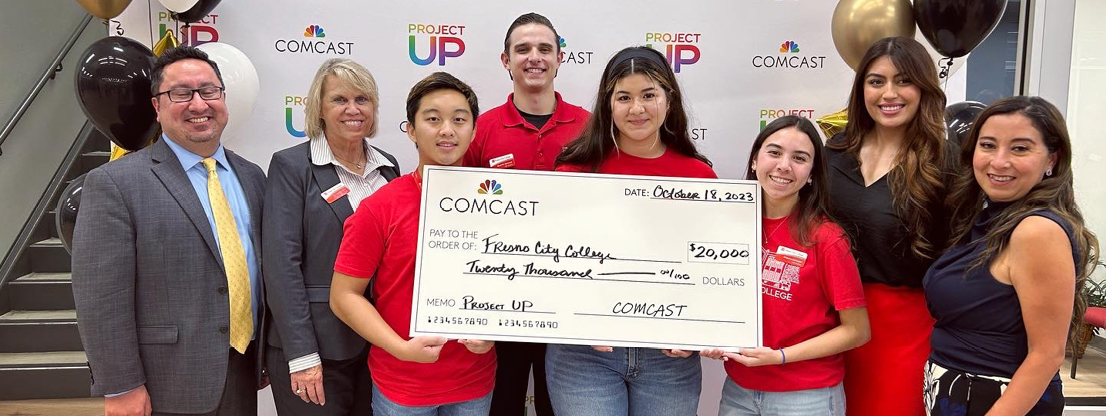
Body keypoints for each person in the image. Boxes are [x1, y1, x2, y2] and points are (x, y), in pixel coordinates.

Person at [72, 45, 267, 416]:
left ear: (223, 98)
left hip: (243, 369)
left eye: (209, 91)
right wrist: (120, 386)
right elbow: (100, 300)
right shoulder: (114, 184)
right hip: (164, 382)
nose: (199, 104)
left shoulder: (252, 176)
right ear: (157, 107)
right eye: (181, 93)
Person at [548, 46, 715, 416]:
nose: (637, 109)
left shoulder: (699, 177)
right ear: (608, 104)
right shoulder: (574, 174)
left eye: (649, 95)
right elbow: (548, 264)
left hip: (669, 359)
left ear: (669, 100)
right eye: (624, 97)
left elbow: (713, 270)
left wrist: (698, 328)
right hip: (584, 355)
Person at [330, 72, 496, 416]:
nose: (447, 130)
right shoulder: (380, 206)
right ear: (410, 129)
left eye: (459, 119)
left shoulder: (500, 204)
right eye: (433, 119)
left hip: (475, 384)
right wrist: (401, 348)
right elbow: (343, 296)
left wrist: (495, 332)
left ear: (474, 129)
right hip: (402, 388)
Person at [923, 96, 1100, 415]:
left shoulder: (1036, 230)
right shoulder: (989, 219)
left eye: (1020, 148)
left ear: (1052, 159)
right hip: (961, 394)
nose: (999, 161)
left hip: (998, 400)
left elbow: (1046, 354)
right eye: (988, 145)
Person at [462, 12, 589, 416]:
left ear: (559, 57)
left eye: (544, 49)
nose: (534, 57)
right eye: (523, 49)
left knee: (563, 404)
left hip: (570, 295)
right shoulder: (480, 129)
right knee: (503, 402)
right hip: (501, 295)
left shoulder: (590, 128)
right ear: (505, 60)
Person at [824, 36, 957, 416]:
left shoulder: (946, 161)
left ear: (924, 88)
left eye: (903, 80)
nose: (889, 93)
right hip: (824, 324)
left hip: (903, 333)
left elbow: (962, 253)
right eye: (876, 81)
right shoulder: (836, 149)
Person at [702, 116, 870, 416]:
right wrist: (710, 338)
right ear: (755, 160)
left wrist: (780, 356)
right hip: (739, 392)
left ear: (811, 175)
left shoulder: (826, 237)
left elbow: (857, 331)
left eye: (799, 158)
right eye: (774, 152)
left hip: (807, 398)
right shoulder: (727, 228)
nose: (784, 165)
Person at [264, 58, 401, 415]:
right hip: (317, 349)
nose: (353, 109)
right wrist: (302, 355)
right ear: (319, 109)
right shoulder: (292, 166)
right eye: (340, 99)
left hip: (377, 345)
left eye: (363, 99)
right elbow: (282, 268)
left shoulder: (388, 167)